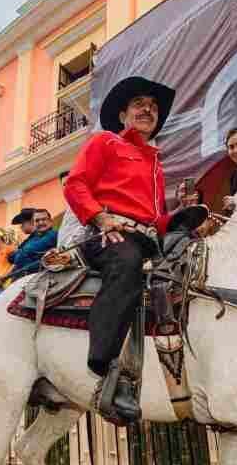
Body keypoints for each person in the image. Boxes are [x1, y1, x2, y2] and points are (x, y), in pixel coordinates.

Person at [63, 76, 176, 423]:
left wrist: (188, 224)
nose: (148, 109)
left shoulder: (156, 163)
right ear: (124, 115)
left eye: (153, 107)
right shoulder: (106, 142)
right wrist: (100, 219)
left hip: (148, 240)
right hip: (108, 234)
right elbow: (76, 183)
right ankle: (109, 369)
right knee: (127, 263)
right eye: (140, 104)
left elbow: (157, 218)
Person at [8, 208, 58, 276]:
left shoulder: (52, 235)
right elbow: (14, 258)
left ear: (50, 221)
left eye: (43, 219)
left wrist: (25, 264)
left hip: (46, 275)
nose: (40, 223)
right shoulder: (34, 238)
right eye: (37, 221)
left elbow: (19, 257)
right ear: (34, 223)